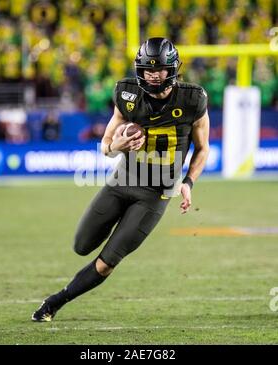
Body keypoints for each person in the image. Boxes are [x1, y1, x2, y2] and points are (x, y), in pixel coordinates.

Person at [32, 37, 210, 322]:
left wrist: (188, 183)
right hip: (122, 182)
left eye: (160, 70)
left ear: (173, 69)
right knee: (81, 245)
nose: (153, 75)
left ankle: (54, 303)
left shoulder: (193, 99)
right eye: (148, 69)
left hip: (155, 194)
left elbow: (203, 149)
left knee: (106, 263)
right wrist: (118, 146)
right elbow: (105, 145)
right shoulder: (127, 93)